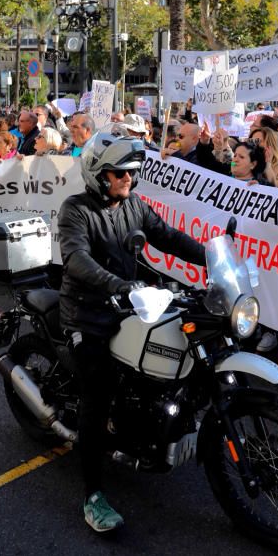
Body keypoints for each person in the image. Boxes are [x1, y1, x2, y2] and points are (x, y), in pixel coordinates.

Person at [58, 133, 205, 533]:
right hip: (87, 313)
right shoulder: (75, 210)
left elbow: (168, 236)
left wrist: (210, 254)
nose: (128, 177)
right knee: (98, 394)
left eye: (132, 171)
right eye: (120, 172)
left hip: (128, 305)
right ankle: (92, 495)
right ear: (98, 174)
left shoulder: (134, 204)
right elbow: (77, 260)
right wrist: (120, 285)